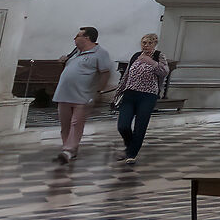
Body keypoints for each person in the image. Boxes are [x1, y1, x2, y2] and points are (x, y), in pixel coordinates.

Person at [52, 27, 115, 163]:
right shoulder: (75, 52)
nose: (74, 38)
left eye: (77, 36)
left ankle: (68, 150)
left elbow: (105, 73)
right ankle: (68, 150)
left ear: (87, 38)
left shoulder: (100, 53)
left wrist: (99, 91)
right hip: (64, 94)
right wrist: (63, 62)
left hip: (83, 96)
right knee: (65, 125)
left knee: (76, 124)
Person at [115, 35, 173, 161]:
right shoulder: (136, 56)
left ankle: (131, 154)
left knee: (140, 126)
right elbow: (127, 75)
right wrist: (118, 92)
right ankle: (129, 146)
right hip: (130, 93)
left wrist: (150, 62)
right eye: (143, 43)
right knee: (123, 125)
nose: (146, 45)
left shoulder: (159, 56)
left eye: (149, 43)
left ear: (155, 44)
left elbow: (164, 72)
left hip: (148, 95)